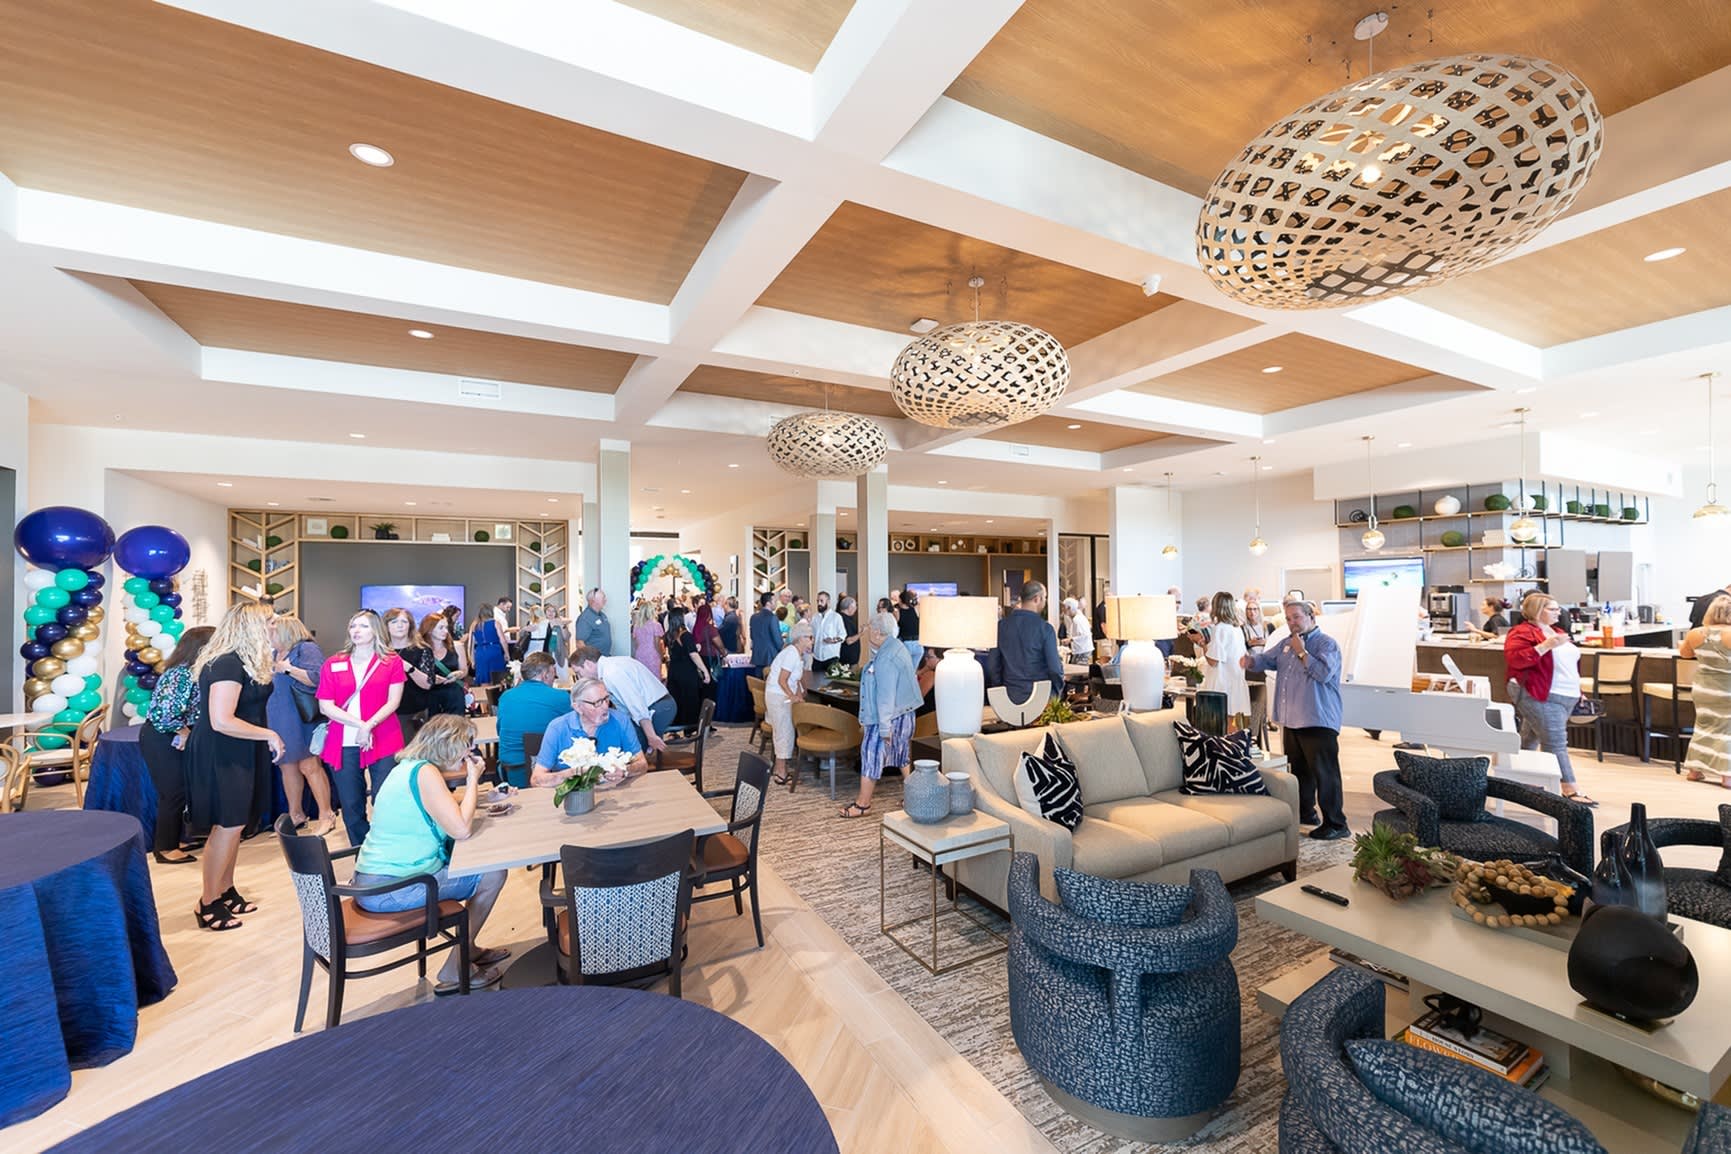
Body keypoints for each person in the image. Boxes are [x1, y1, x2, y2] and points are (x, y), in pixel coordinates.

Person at [350, 715, 510, 994]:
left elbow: (438, 805)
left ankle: (467, 947)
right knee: (493, 874)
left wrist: (484, 798)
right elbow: (461, 829)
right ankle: (454, 967)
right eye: (466, 745)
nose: (468, 753)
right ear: (448, 745)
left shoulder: (408, 768)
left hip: (373, 881)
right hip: (394, 888)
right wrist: (473, 781)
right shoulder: (426, 773)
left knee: (484, 870)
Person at [185, 603, 284, 931]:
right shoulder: (226, 663)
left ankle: (225, 890)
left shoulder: (242, 661)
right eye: (270, 622)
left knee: (236, 825)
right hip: (222, 752)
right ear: (251, 626)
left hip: (242, 749)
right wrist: (269, 734)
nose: (274, 627)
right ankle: (207, 902)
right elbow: (221, 720)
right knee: (227, 825)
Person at [1243, 600, 1348, 839]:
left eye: (1296, 617)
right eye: (1288, 619)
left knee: (1325, 773)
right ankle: (1306, 813)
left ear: (1311, 617)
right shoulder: (1285, 644)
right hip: (1292, 720)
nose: (1292, 623)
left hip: (1317, 719)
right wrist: (1250, 661)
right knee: (1299, 771)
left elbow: (1323, 674)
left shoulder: (1326, 644)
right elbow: (1267, 660)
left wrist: (1302, 652)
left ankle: (1337, 824)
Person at [317, 610, 408, 846]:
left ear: (376, 630)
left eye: (364, 626)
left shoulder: (391, 661)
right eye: (353, 626)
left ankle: (388, 847)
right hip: (343, 740)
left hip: (384, 736)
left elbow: (394, 701)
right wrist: (361, 726)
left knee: (385, 798)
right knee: (351, 804)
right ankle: (362, 852)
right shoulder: (333, 663)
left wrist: (370, 725)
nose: (356, 631)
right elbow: (325, 706)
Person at [1504, 592, 1595, 806]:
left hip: (1565, 694)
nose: (1558, 612)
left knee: (1529, 738)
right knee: (1555, 741)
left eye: (1557, 608)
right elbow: (1515, 659)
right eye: (1552, 609)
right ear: (1537, 610)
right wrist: (1546, 645)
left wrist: (1578, 690)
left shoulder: (1558, 632)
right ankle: (1569, 788)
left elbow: (1568, 666)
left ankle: (1516, 779)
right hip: (1536, 692)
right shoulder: (1521, 632)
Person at [140, 625, 217, 864]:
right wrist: (183, 732)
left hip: (174, 734)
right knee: (173, 792)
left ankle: (177, 838)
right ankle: (165, 848)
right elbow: (165, 715)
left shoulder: (191, 671)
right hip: (163, 737)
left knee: (182, 790)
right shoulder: (180, 674)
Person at [841, 611, 921, 819]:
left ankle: (863, 804)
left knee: (871, 756)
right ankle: (914, 798)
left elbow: (886, 696)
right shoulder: (897, 647)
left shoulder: (886, 658)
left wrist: (884, 728)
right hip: (904, 714)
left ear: (877, 632)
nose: (868, 633)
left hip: (887, 717)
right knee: (902, 755)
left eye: (869, 629)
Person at [268, 618, 334, 835]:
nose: (269, 635)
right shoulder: (273, 654)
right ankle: (296, 814)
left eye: (273, 631)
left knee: (309, 765)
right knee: (286, 765)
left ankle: (326, 814)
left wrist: (288, 670)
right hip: (278, 716)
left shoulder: (305, 649)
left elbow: (318, 678)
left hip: (300, 716)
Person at [531, 677, 648, 786]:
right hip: (573, 796)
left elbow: (642, 764)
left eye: (606, 699)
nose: (605, 707)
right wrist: (573, 774)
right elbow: (536, 779)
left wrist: (625, 771)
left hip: (614, 791)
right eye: (597, 703)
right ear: (578, 707)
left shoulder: (620, 720)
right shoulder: (558, 728)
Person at [570, 642, 676, 754]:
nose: (580, 678)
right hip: (657, 704)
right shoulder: (611, 666)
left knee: (631, 748)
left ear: (588, 664)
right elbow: (625, 708)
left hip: (659, 707)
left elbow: (636, 705)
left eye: (578, 673)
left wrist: (651, 736)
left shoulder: (612, 673)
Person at [1682, 599, 1731, 784]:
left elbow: (1685, 653)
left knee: (1703, 726)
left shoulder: (1696, 633)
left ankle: (1694, 771)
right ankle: (1727, 776)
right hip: (1727, 689)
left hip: (1703, 689)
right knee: (1727, 730)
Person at [997, 581, 1063, 705]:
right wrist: (1056, 691)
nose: (1045, 601)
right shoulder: (1045, 629)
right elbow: (1055, 668)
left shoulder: (1001, 627)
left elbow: (993, 665)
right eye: (1045, 598)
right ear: (1037, 599)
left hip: (1009, 696)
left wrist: (999, 689)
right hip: (1040, 697)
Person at [765, 620, 813, 787]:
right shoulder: (791, 653)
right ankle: (781, 773)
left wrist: (800, 695)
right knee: (784, 733)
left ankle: (780, 769)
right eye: (809, 637)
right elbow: (782, 680)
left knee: (784, 732)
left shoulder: (796, 654)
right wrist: (792, 696)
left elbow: (796, 679)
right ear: (800, 638)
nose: (811, 641)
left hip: (780, 695)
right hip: (778, 696)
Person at [1201, 591, 1251, 730]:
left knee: (1219, 729)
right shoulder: (1237, 629)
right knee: (1235, 727)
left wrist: (1202, 644)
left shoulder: (1219, 629)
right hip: (1236, 680)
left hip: (1221, 683)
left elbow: (1213, 661)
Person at [384, 607, 434, 736]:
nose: (399, 625)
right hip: (383, 713)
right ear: (386, 626)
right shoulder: (379, 651)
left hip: (413, 713)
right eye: (394, 622)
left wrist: (408, 668)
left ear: (410, 626)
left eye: (404, 622)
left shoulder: (422, 649)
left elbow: (428, 683)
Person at [664, 609, 711, 728]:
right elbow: (693, 655)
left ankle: (674, 727)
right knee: (690, 699)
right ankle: (689, 728)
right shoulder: (685, 635)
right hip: (687, 672)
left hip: (674, 671)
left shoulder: (669, 635)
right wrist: (705, 671)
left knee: (677, 699)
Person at [418, 611, 468, 716]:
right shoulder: (420, 650)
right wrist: (430, 678)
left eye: (446, 627)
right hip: (430, 696)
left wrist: (458, 674)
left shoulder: (457, 646)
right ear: (429, 630)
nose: (445, 631)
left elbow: (464, 670)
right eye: (441, 628)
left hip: (453, 695)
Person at [469, 604, 507, 685]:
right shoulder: (495, 623)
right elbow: (503, 640)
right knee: (497, 678)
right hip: (494, 651)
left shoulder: (474, 625)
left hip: (480, 652)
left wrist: (472, 660)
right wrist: (507, 653)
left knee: (483, 679)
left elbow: (470, 645)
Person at [631, 599, 666, 681]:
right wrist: (662, 655)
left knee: (642, 680)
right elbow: (657, 644)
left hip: (640, 654)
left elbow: (636, 643)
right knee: (654, 680)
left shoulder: (637, 626)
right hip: (652, 655)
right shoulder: (656, 625)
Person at [749, 591, 781, 676]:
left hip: (757, 655)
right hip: (770, 655)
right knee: (770, 681)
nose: (776, 603)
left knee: (758, 682)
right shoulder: (772, 618)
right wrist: (782, 649)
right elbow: (777, 639)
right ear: (768, 603)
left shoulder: (753, 617)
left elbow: (752, 636)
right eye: (774, 601)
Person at [573, 588, 612, 654]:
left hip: (604, 656)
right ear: (593, 601)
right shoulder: (585, 618)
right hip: (594, 658)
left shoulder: (602, 615)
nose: (605, 600)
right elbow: (579, 643)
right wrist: (590, 657)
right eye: (603, 598)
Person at [812, 591, 846, 666]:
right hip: (817, 657)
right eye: (817, 601)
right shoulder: (815, 618)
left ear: (828, 602)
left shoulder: (836, 617)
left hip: (831, 657)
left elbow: (843, 635)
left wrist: (833, 640)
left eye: (821, 601)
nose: (819, 603)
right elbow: (812, 635)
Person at [1062, 596, 1092, 663]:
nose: (1062, 609)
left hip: (1082, 650)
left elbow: (1085, 635)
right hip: (1080, 650)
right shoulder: (1076, 618)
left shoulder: (1077, 619)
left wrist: (1070, 640)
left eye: (1063, 607)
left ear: (1069, 608)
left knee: (1078, 667)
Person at [897, 589, 922, 665]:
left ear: (900, 600)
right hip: (918, 643)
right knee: (913, 669)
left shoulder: (897, 613)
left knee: (904, 669)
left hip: (905, 644)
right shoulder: (916, 609)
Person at [914, 646, 941, 716]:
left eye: (929, 657)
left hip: (922, 715)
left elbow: (916, 698)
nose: (926, 659)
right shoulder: (939, 674)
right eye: (926, 656)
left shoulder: (931, 675)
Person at [838, 595, 861, 667]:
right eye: (855, 606)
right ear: (850, 607)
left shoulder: (844, 618)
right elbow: (848, 640)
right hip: (847, 661)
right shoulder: (844, 620)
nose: (856, 609)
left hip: (849, 660)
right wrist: (861, 633)